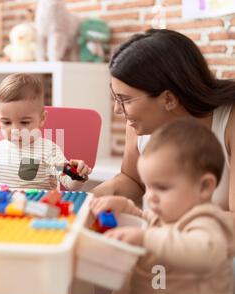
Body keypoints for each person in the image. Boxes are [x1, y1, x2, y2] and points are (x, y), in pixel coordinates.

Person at [91, 29, 235, 218]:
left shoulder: (229, 122)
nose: (118, 110)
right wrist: (86, 199)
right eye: (115, 97)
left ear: (168, 99)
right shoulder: (139, 125)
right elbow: (132, 180)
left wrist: (151, 228)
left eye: (125, 99)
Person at [90, 119, 234, 294]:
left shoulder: (206, 222)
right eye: (148, 186)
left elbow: (205, 250)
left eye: (162, 188)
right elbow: (147, 220)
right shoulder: (165, 218)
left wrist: (145, 238)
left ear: (204, 187)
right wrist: (125, 207)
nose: (150, 196)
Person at [0, 73, 91, 190]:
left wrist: (77, 175)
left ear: (42, 119)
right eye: (6, 122)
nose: (15, 130)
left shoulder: (48, 151)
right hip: (4, 206)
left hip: (38, 207)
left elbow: (68, 183)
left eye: (24, 122)